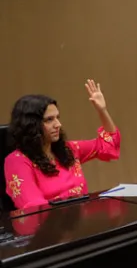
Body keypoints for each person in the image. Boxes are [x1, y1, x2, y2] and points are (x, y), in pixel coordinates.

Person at [4, 80, 121, 210]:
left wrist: (102, 110)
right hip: (50, 227)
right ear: (30, 125)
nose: (58, 124)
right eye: (49, 120)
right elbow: (34, 210)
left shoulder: (69, 149)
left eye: (57, 118)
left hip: (81, 223)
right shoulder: (17, 162)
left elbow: (109, 145)